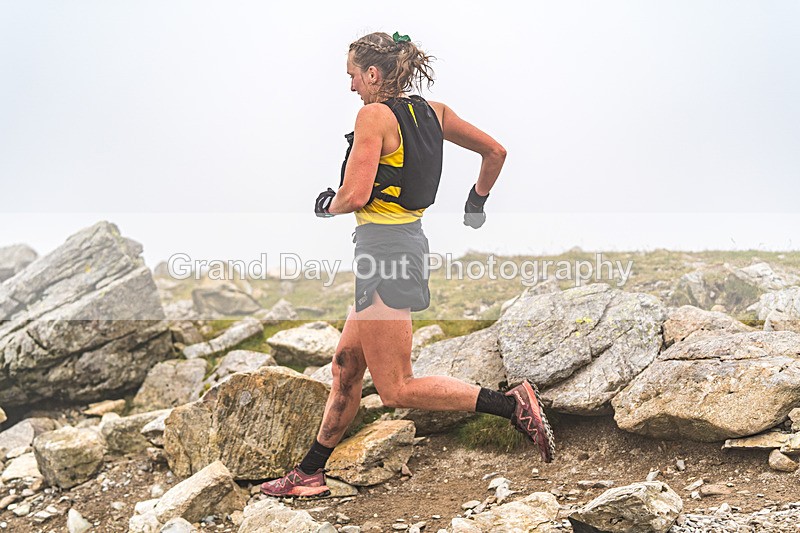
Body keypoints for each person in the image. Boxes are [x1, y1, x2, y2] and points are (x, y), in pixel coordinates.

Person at [261, 31, 555, 498]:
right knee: (346, 364)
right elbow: (495, 152)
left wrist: (326, 204)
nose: (352, 86)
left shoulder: (372, 116)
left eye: (353, 76)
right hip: (398, 245)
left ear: (373, 74)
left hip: (385, 253)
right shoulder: (434, 113)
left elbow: (354, 195)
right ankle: (310, 472)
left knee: (397, 387)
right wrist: (476, 202)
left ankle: (511, 406)